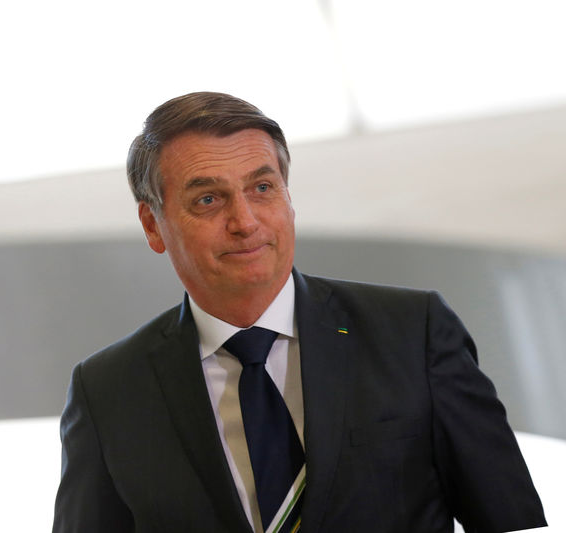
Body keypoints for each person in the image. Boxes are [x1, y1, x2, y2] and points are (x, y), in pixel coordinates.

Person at [52, 92, 546, 532]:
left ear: (288, 199)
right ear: (153, 224)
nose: (244, 222)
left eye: (262, 188)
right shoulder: (107, 392)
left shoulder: (413, 331)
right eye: (208, 199)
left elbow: (510, 522)